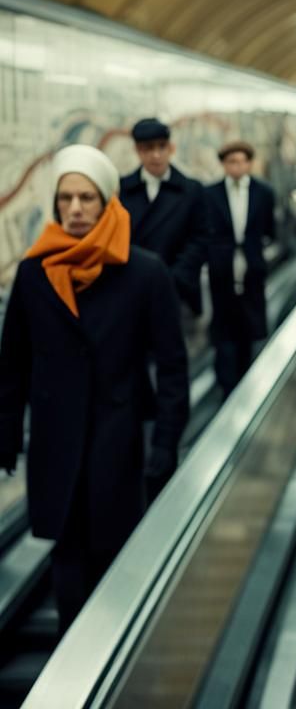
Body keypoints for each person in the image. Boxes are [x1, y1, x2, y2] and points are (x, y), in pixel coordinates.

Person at [0, 145, 188, 633]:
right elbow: (12, 363)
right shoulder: (34, 273)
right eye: (66, 199)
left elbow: (172, 367)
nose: (76, 209)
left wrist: (166, 443)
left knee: (116, 561)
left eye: (87, 198)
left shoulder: (144, 273)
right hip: (55, 444)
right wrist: (6, 433)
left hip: (120, 443)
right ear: (55, 204)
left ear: (107, 203)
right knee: (67, 560)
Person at [203, 141, 276, 396]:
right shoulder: (210, 194)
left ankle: (246, 374)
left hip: (251, 265)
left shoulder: (263, 192)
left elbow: (268, 229)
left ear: (249, 163)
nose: (237, 166)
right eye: (231, 162)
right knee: (223, 323)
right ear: (224, 164)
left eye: (242, 161)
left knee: (249, 321)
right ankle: (226, 381)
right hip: (221, 267)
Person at [119, 118, 209, 316]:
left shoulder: (192, 190)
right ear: (137, 151)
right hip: (133, 293)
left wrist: (173, 279)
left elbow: (201, 239)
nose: (156, 155)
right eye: (148, 148)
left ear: (171, 148)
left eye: (162, 147)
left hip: (179, 292)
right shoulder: (122, 190)